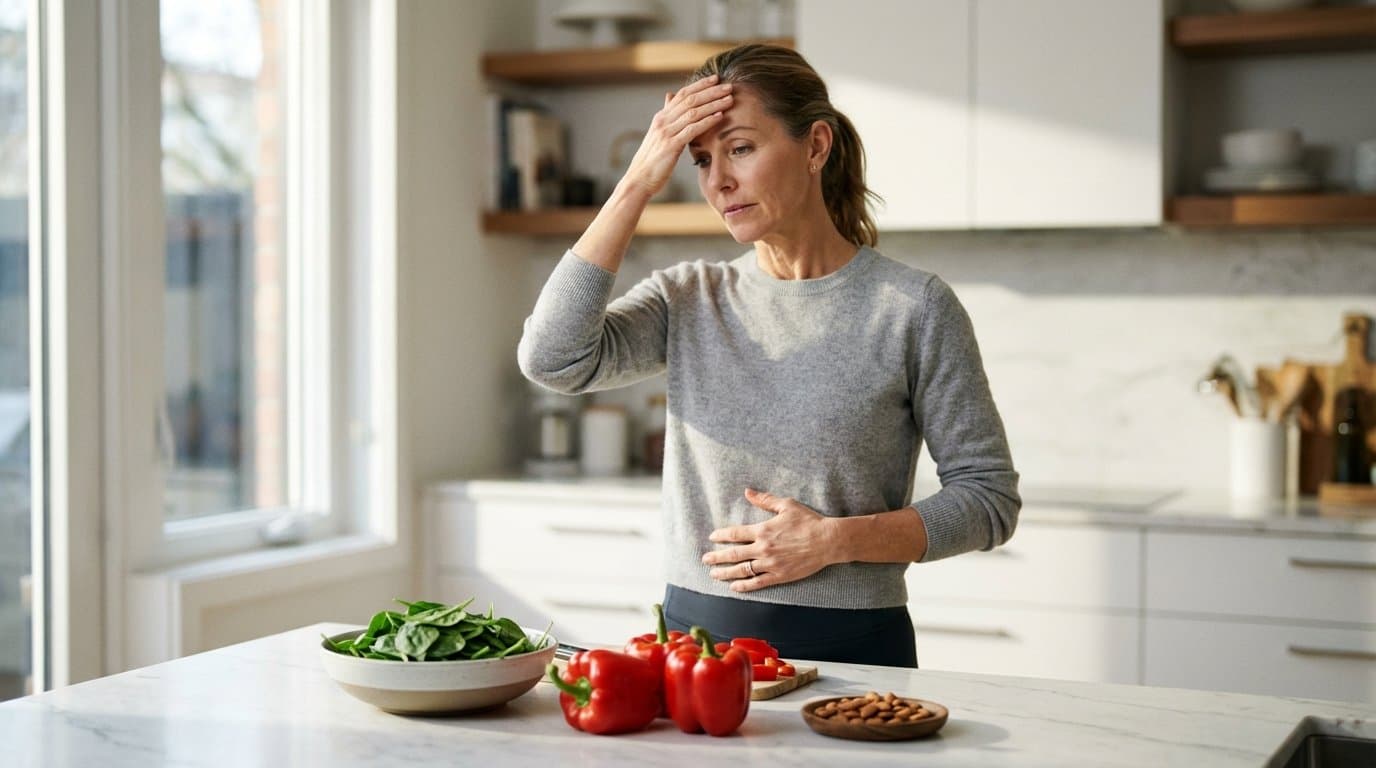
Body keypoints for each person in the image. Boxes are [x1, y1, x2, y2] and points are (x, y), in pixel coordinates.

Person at [517, 44, 1019, 668]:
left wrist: (835, 541)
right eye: (700, 159)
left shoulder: (912, 308)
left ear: (815, 146)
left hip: (854, 655)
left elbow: (988, 500)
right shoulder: (691, 296)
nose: (718, 180)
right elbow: (553, 358)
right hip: (691, 650)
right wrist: (638, 182)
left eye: (742, 148)